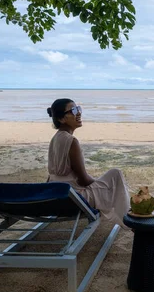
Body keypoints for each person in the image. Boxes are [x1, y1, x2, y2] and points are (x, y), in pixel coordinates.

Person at [47, 98, 129, 229]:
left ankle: (124, 214)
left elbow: (51, 175)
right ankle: (127, 219)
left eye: (78, 109)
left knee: (112, 182)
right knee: (116, 174)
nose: (78, 113)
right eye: (73, 110)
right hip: (73, 198)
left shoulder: (55, 138)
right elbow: (84, 180)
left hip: (58, 195)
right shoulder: (71, 141)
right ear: (62, 119)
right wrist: (98, 182)